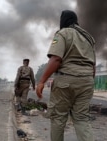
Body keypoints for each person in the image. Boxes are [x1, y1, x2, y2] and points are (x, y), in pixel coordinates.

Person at [36, 10, 96, 141]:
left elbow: (56, 59)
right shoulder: (89, 38)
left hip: (66, 80)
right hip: (87, 81)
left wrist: (41, 81)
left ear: (63, 21)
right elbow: (93, 66)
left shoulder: (63, 33)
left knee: (58, 118)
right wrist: (88, 81)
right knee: (81, 119)